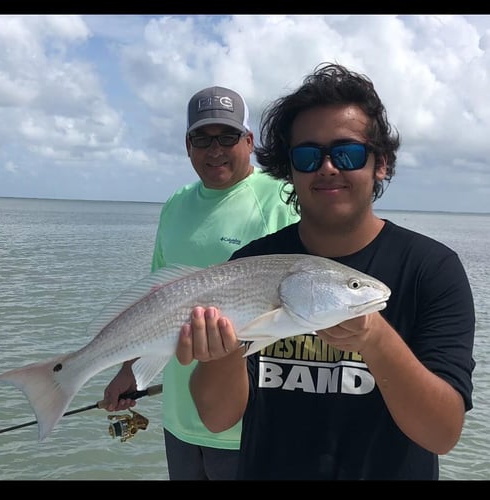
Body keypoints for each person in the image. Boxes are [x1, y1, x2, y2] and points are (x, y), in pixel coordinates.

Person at [175, 63, 476, 480]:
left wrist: (375, 339)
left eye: (348, 153)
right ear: (289, 169)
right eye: (308, 155)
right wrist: (221, 353)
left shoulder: (431, 269)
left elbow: (443, 434)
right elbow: (217, 418)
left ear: (381, 164)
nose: (328, 167)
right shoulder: (250, 265)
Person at [102, 86, 299, 480]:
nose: (215, 150)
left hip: (250, 425)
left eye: (227, 137)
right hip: (179, 417)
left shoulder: (284, 198)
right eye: (202, 139)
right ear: (186, 145)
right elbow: (155, 300)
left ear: (249, 141)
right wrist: (130, 370)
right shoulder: (176, 203)